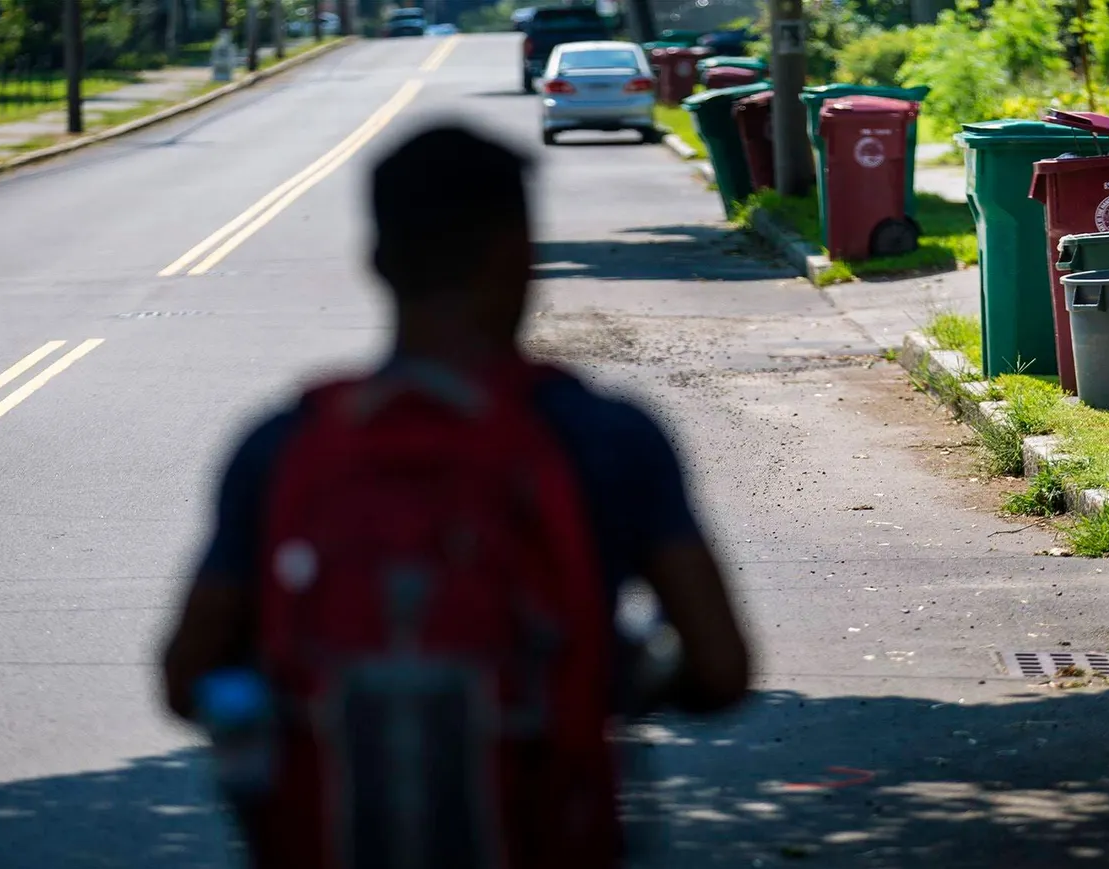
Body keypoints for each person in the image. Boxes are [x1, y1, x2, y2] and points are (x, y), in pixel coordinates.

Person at [160, 123, 750, 867]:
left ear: (376, 263)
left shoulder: (282, 445)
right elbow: (723, 667)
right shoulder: (605, 437)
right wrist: (608, 679)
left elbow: (186, 676)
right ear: (525, 255)